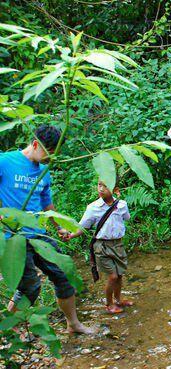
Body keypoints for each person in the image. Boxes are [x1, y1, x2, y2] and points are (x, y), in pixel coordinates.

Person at [0, 125, 94, 334]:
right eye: (48, 153)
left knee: (64, 275)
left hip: (38, 235)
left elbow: (46, 204)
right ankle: (5, 332)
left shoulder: (44, 171)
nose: (49, 159)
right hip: (12, 237)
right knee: (30, 288)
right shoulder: (5, 162)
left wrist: (58, 227)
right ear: (35, 144)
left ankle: (73, 325)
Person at [65, 179, 132, 314]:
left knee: (119, 275)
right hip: (102, 246)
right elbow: (82, 226)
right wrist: (71, 235)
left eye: (105, 186)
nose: (101, 189)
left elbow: (127, 217)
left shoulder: (122, 205)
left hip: (118, 244)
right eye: (99, 185)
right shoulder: (93, 207)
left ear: (115, 190)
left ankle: (118, 300)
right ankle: (109, 303)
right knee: (112, 276)